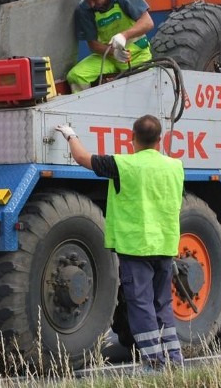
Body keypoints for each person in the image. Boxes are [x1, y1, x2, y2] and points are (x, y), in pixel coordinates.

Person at [55, 115, 184, 368]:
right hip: (165, 245)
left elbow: (82, 158)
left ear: (132, 139)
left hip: (136, 247)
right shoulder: (175, 166)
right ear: (160, 140)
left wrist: (70, 134)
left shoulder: (122, 165)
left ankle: (155, 363)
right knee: (162, 303)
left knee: (141, 304)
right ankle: (174, 358)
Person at [66, 0, 155, 92]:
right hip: (109, 57)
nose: (91, 4)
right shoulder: (83, 9)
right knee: (76, 76)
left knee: (146, 88)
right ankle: (86, 109)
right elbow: (93, 45)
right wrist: (114, 52)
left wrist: (124, 35)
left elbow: (148, 22)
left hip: (136, 55)